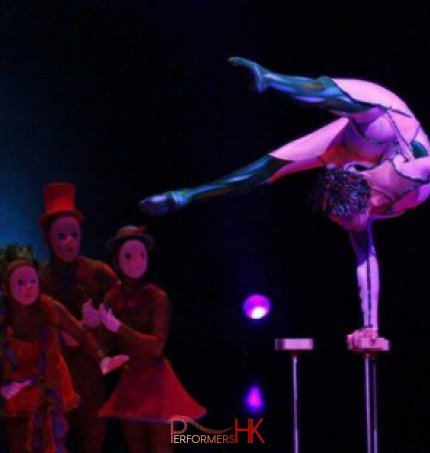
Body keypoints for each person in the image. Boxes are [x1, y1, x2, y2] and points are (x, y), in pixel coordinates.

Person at [138, 57, 430, 345]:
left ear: (361, 206)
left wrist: (370, 325)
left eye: (343, 221)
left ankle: (275, 80)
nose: (345, 228)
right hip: (362, 146)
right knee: (273, 166)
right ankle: (189, 194)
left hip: (391, 127)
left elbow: (365, 257)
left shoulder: (407, 173)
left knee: (371, 118)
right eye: (341, 222)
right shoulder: (355, 200)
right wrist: (370, 326)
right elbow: (365, 257)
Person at [0, 244, 128, 453]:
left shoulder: (49, 307)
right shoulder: (3, 316)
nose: (28, 287)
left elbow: (80, 333)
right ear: (7, 287)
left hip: (50, 386)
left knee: (53, 438)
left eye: (32, 281)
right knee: (20, 440)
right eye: (20, 282)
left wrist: (102, 359)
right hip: (17, 393)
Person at [97, 225, 206, 453]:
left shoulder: (157, 297)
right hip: (130, 381)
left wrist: (119, 326)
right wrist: (92, 326)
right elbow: (105, 342)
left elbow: (156, 346)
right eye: (128, 255)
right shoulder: (111, 297)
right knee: (135, 447)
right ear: (117, 261)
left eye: (141, 255)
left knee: (161, 447)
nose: (136, 261)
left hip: (156, 382)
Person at [37, 182, 119, 453]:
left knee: (93, 436)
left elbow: (122, 305)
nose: (68, 242)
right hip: (56, 376)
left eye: (73, 234)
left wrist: (99, 329)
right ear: (48, 238)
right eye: (60, 236)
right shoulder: (39, 279)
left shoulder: (98, 272)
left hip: (90, 374)